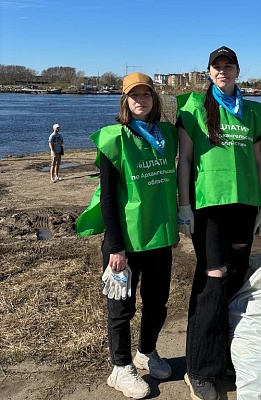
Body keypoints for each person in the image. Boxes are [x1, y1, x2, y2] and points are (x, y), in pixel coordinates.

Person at [76, 72, 179, 399]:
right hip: (125, 243)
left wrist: (174, 227)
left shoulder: (165, 136)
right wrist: (116, 247)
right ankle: (120, 368)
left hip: (159, 238)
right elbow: (107, 197)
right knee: (121, 308)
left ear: (154, 99)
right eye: (134, 95)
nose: (140, 100)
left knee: (158, 303)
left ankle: (146, 352)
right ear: (125, 100)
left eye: (146, 94)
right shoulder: (114, 138)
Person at [176, 46, 261, 400]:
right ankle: (199, 369)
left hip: (245, 206)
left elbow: (259, 162)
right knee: (212, 281)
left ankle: (226, 356)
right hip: (209, 207)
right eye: (217, 67)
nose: (223, 71)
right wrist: (184, 206)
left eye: (228, 66)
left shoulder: (252, 112)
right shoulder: (192, 109)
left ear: (237, 71)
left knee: (235, 277)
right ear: (209, 72)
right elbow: (184, 160)